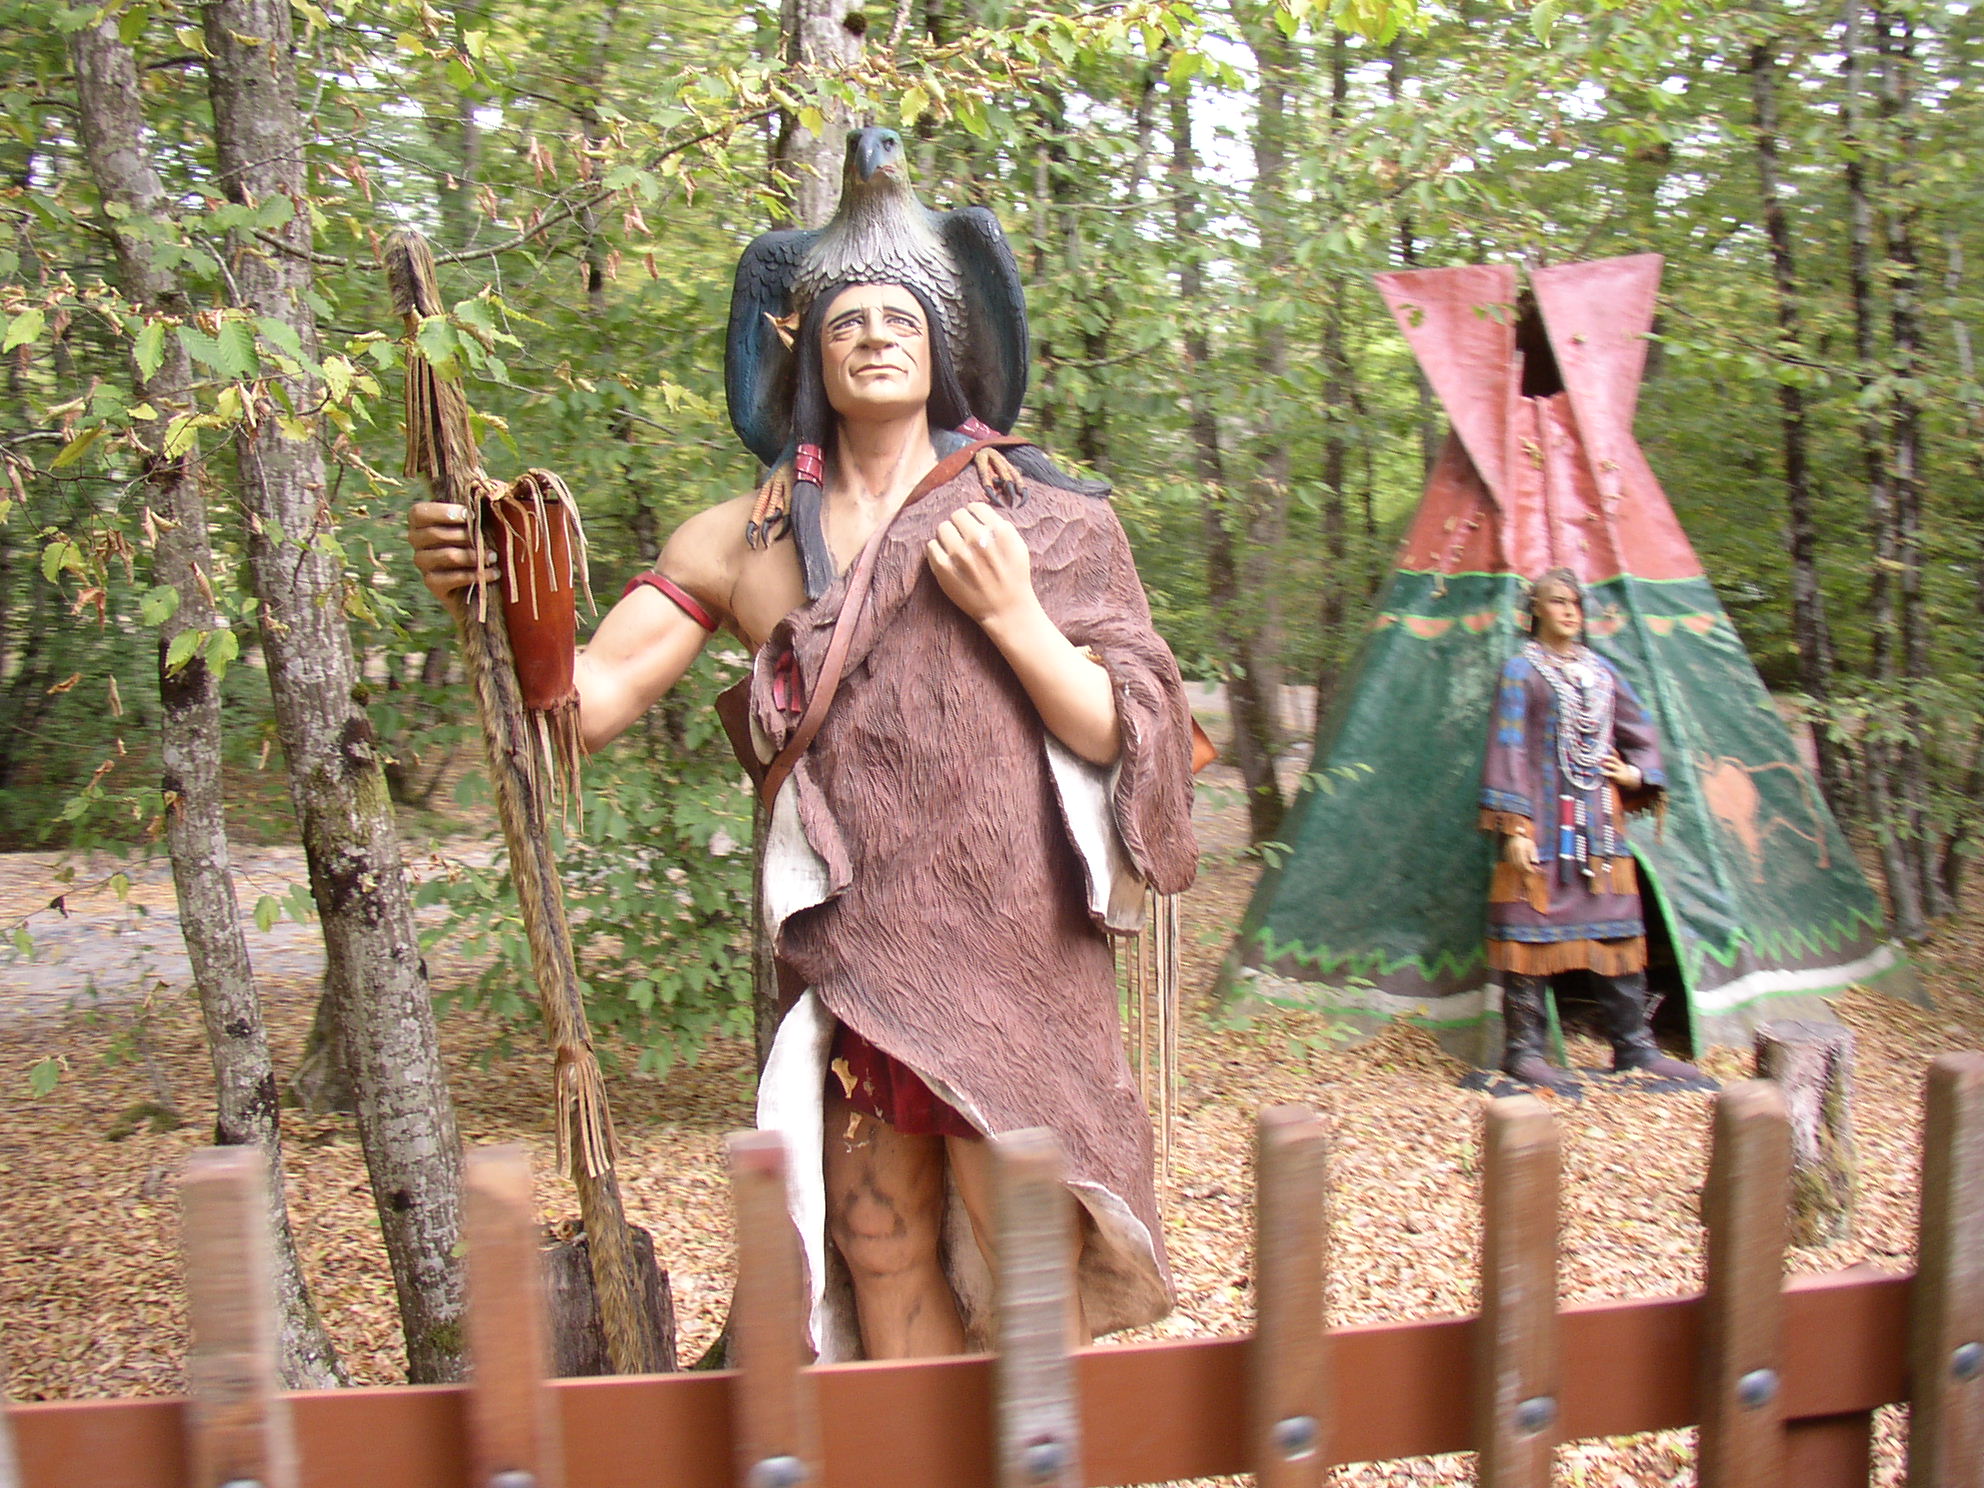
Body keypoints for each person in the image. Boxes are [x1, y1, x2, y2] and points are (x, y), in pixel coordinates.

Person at [410, 277, 1198, 1361]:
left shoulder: (1044, 516)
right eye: (845, 322)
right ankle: (912, 1446)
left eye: (901, 319)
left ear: (945, 350)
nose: (874, 337)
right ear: (806, 357)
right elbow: (582, 707)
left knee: (1020, 1231)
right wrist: (500, 597)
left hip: (1013, 937)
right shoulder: (744, 540)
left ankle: (1037, 1448)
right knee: (874, 1229)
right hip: (851, 945)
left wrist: (1015, 613)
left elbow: (1129, 728)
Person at [1479, 569, 1703, 1093]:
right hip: (1541, 824)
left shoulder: (1602, 672)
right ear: (1535, 609)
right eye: (1557, 601)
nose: (1569, 611)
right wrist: (1515, 827)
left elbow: (1639, 730)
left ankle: (1634, 1046)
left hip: (1600, 826)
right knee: (1527, 931)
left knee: (1616, 931)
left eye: (1576, 603)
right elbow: (1508, 747)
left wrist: (1636, 774)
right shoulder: (1521, 671)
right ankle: (1524, 1051)